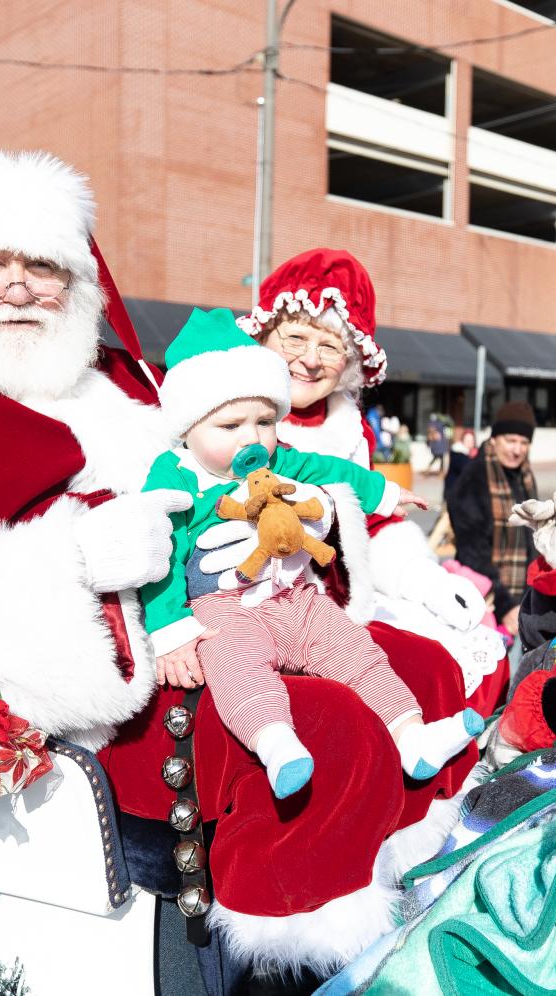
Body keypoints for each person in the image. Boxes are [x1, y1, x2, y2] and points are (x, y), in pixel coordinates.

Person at [0, 160, 478, 983]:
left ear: (80, 277)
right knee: (330, 730)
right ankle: (291, 961)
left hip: (234, 609)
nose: (17, 288)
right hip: (105, 685)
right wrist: (70, 566)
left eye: (44, 266)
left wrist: (289, 526)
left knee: (425, 666)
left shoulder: (126, 380)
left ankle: (398, 916)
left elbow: (233, 470)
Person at [141, 307, 483, 798]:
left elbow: (329, 471)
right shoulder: (174, 472)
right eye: (230, 425)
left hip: (295, 594)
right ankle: (276, 743)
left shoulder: (278, 456)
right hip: (223, 605)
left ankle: (411, 735)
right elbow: (159, 551)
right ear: (188, 426)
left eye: (264, 421)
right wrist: (170, 631)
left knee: (355, 651)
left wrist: (384, 493)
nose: (251, 437)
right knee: (235, 664)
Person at [229, 248, 507, 719]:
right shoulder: (229, 413)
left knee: (465, 651)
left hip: (349, 600)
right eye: (295, 338)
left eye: (330, 347)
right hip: (255, 610)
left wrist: (423, 580)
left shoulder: (350, 433)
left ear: (351, 360)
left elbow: (374, 526)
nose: (309, 361)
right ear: (264, 335)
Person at [448, 401, 539, 639]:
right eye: (511, 440)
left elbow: (533, 540)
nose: (517, 450)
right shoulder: (474, 478)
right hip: (485, 603)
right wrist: (506, 605)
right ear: (495, 438)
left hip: (525, 602)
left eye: (524, 443)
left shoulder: (525, 476)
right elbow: (472, 554)